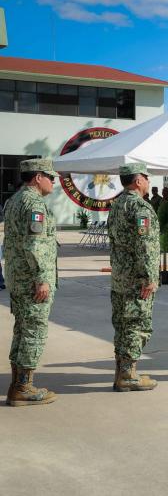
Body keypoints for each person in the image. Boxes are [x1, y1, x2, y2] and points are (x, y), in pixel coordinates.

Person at [4, 158, 60, 406]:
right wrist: (42, 279)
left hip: (17, 277)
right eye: (51, 177)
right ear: (38, 177)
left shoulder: (14, 200)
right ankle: (23, 388)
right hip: (31, 281)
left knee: (22, 330)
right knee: (33, 332)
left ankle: (17, 383)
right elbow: (35, 244)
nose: (54, 182)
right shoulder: (34, 204)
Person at [107, 163, 160, 392]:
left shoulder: (117, 205)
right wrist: (149, 277)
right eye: (146, 177)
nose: (149, 181)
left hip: (120, 277)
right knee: (136, 326)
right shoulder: (140, 208)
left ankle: (122, 372)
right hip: (136, 279)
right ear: (138, 180)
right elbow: (145, 246)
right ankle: (128, 375)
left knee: (122, 325)